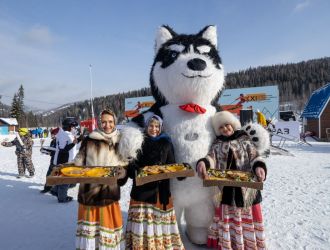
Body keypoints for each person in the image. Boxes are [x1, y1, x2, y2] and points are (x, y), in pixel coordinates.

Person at [196, 111, 267, 249]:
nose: (225, 129)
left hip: (246, 188)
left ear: (233, 124)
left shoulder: (244, 139)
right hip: (226, 189)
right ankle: (231, 243)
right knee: (229, 217)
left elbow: (254, 156)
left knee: (245, 215)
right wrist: (203, 163)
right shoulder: (217, 144)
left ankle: (248, 243)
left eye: (227, 125)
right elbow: (211, 157)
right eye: (221, 127)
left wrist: (259, 166)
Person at [125, 115, 184, 250]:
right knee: (143, 221)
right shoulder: (139, 141)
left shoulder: (166, 143)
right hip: (142, 190)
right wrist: (133, 168)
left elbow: (171, 164)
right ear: (146, 127)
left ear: (161, 127)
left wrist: (180, 173)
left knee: (158, 221)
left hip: (160, 190)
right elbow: (132, 161)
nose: (154, 129)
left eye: (157, 126)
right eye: (151, 126)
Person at [75, 109, 129, 250]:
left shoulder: (121, 141)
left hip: (108, 193)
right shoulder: (90, 139)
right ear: (99, 122)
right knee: (91, 231)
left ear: (115, 122)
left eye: (110, 122)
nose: (107, 125)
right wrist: (74, 168)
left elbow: (125, 166)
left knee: (108, 228)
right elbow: (78, 161)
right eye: (104, 122)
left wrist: (123, 173)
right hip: (90, 192)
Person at [52, 117, 81, 203]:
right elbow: (63, 149)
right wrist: (74, 143)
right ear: (69, 126)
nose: (74, 128)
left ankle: (55, 190)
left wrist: (79, 140)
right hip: (64, 161)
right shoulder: (64, 135)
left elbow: (74, 146)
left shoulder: (67, 134)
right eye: (73, 126)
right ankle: (62, 198)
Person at [40, 127, 59, 193]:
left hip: (59, 161)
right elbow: (51, 152)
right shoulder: (52, 141)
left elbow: (58, 151)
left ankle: (57, 190)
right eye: (51, 134)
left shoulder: (60, 142)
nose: (51, 136)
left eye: (53, 134)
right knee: (48, 175)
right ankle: (47, 188)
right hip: (52, 161)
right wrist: (44, 150)